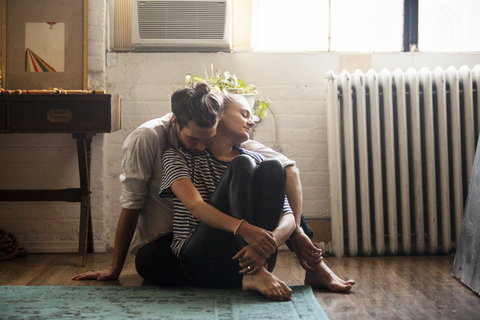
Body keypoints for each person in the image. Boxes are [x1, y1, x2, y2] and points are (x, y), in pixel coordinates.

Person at [71, 82, 306, 285]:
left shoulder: (238, 146)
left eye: (208, 139)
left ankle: (278, 269)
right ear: (176, 122)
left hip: (227, 233)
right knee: (150, 261)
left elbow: (286, 168)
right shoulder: (157, 144)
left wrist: (284, 235)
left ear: (219, 125)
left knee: (267, 167)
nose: (201, 147)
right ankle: (246, 273)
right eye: (193, 139)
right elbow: (134, 202)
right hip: (180, 238)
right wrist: (115, 268)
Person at [159, 91, 297, 300]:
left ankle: (255, 272)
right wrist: (245, 230)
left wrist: (267, 244)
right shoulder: (177, 156)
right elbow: (196, 207)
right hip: (200, 260)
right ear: (219, 116)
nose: (251, 122)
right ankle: (254, 274)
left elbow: (289, 218)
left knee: (275, 166)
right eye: (244, 114)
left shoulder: (255, 158)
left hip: (254, 258)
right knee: (242, 165)